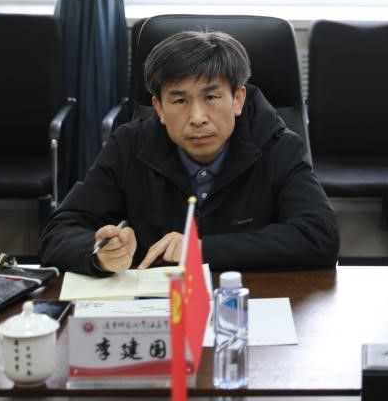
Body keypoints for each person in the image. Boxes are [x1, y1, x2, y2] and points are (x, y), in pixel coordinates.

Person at [40, 30, 339, 275]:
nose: (197, 118)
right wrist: (100, 253)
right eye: (180, 101)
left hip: (246, 299)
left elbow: (319, 236)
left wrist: (199, 249)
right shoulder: (129, 145)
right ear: (159, 108)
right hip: (156, 306)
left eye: (211, 97)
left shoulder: (277, 145)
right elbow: (59, 232)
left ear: (237, 99)